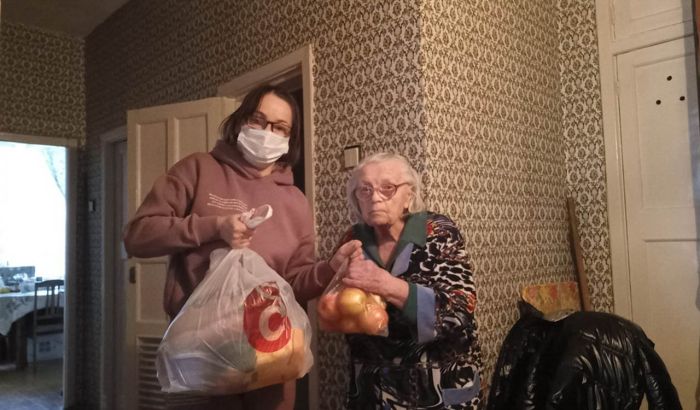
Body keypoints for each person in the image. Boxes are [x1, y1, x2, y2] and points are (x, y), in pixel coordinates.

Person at [123, 84, 360, 410]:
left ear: (290, 139)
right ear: (239, 121)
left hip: (272, 350)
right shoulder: (198, 168)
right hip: (203, 347)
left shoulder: (295, 201)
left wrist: (330, 268)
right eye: (257, 120)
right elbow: (137, 235)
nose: (267, 132)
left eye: (280, 127)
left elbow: (294, 283)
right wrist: (213, 227)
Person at [336, 152, 483, 409]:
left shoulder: (438, 231)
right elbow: (339, 311)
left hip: (438, 387)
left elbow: (459, 314)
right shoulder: (353, 239)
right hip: (373, 391)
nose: (375, 197)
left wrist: (386, 285)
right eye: (365, 190)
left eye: (388, 188)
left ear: (409, 196)